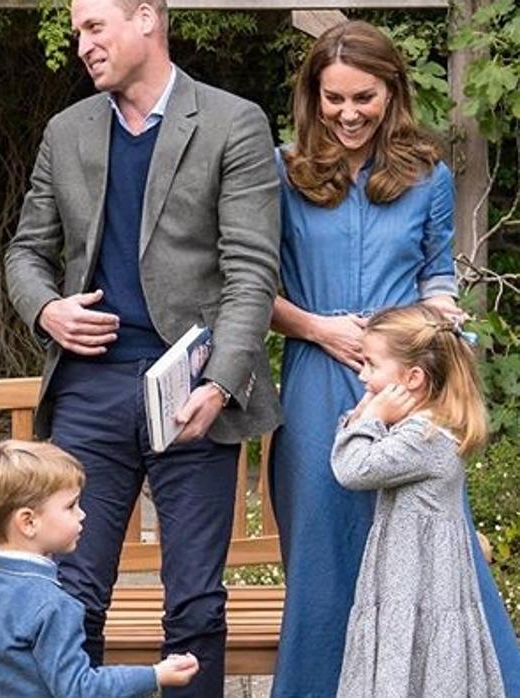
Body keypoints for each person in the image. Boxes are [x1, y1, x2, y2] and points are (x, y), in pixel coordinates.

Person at [4, 0, 281, 693]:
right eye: (76, 34)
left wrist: (219, 384)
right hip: (90, 390)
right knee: (69, 593)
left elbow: (251, 272)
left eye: (95, 27)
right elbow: (24, 253)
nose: (83, 46)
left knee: (193, 601)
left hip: (194, 391)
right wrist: (47, 309)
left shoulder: (232, 122)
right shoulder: (66, 132)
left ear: (148, 19)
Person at [267, 20, 520, 696]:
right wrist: (320, 329)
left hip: (410, 386)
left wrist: (440, 313)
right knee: (324, 555)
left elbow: (435, 273)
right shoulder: (280, 168)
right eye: (335, 98)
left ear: (393, 94)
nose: (349, 114)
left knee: (433, 549)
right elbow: (250, 289)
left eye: (365, 98)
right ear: (313, 96)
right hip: (319, 384)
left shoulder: (428, 175)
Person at [0, 440, 200, 697]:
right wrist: (155, 674)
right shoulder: (53, 605)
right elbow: (79, 689)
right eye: (71, 506)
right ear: (28, 522)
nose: (82, 514)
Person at [330, 304, 505, 696]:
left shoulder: (424, 438)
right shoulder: (423, 428)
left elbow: (352, 470)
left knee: (419, 665)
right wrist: (372, 416)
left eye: (371, 365)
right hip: (410, 579)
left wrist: (367, 417)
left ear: (412, 378)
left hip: (417, 584)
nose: (362, 374)